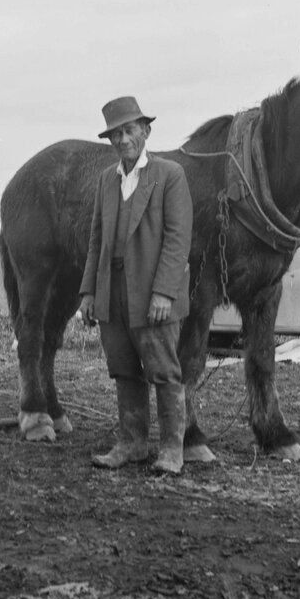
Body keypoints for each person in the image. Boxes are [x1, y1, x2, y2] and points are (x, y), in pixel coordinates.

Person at [78, 96, 193, 474]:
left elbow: (178, 239)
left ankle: (172, 450)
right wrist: (89, 293)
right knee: (124, 369)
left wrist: (164, 291)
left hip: (152, 294)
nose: (122, 140)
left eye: (129, 130)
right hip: (113, 294)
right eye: (115, 134)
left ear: (146, 130)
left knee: (164, 370)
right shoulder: (106, 181)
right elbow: (96, 240)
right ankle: (133, 442)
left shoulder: (170, 175)